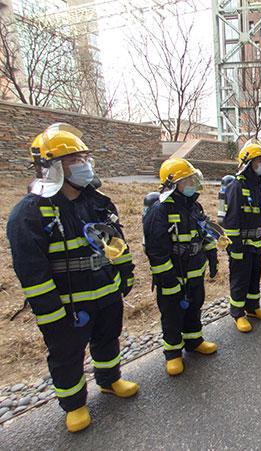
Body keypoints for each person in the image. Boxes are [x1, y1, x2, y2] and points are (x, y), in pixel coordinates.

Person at [7, 123, 139, 433]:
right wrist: (52, 314)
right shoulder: (30, 214)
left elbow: (116, 242)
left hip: (106, 293)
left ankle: (109, 380)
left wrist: (125, 272)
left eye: (84, 158)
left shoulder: (98, 202)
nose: (84, 165)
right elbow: (31, 272)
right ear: (52, 167)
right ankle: (75, 404)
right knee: (67, 355)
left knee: (108, 339)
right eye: (74, 160)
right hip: (67, 306)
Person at [143, 158, 218, 376]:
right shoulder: (160, 210)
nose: (194, 184)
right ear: (174, 183)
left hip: (194, 272)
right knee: (172, 314)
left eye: (194, 179)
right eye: (189, 180)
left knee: (194, 307)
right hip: (172, 277)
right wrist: (167, 278)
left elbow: (205, 233)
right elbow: (156, 250)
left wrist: (211, 254)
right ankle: (173, 354)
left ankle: (194, 341)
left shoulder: (195, 207)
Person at [222, 139, 261, 333]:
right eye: (259, 159)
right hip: (241, 246)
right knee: (240, 278)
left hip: (256, 244)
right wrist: (234, 247)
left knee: (254, 276)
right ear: (249, 163)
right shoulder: (237, 187)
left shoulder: (258, 186)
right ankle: (238, 313)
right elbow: (231, 220)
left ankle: (253, 307)